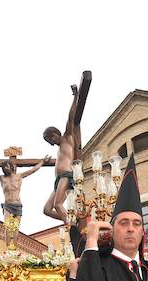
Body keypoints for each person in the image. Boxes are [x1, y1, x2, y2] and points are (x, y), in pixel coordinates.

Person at [0, 154, 49, 249]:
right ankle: (8, 247)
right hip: (7, 205)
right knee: (8, 226)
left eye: (6, 166)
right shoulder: (2, 178)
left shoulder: (19, 176)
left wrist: (42, 162)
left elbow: (32, 170)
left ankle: (14, 248)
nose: (5, 168)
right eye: (3, 167)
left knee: (16, 227)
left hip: (17, 204)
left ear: (11, 167)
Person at [43, 84, 82, 223]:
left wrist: (76, 96)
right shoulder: (59, 148)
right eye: (49, 141)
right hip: (58, 180)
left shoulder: (67, 137)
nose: (52, 141)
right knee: (47, 209)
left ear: (56, 133)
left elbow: (71, 117)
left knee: (57, 204)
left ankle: (71, 223)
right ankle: (71, 219)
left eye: (51, 137)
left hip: (66, 175)